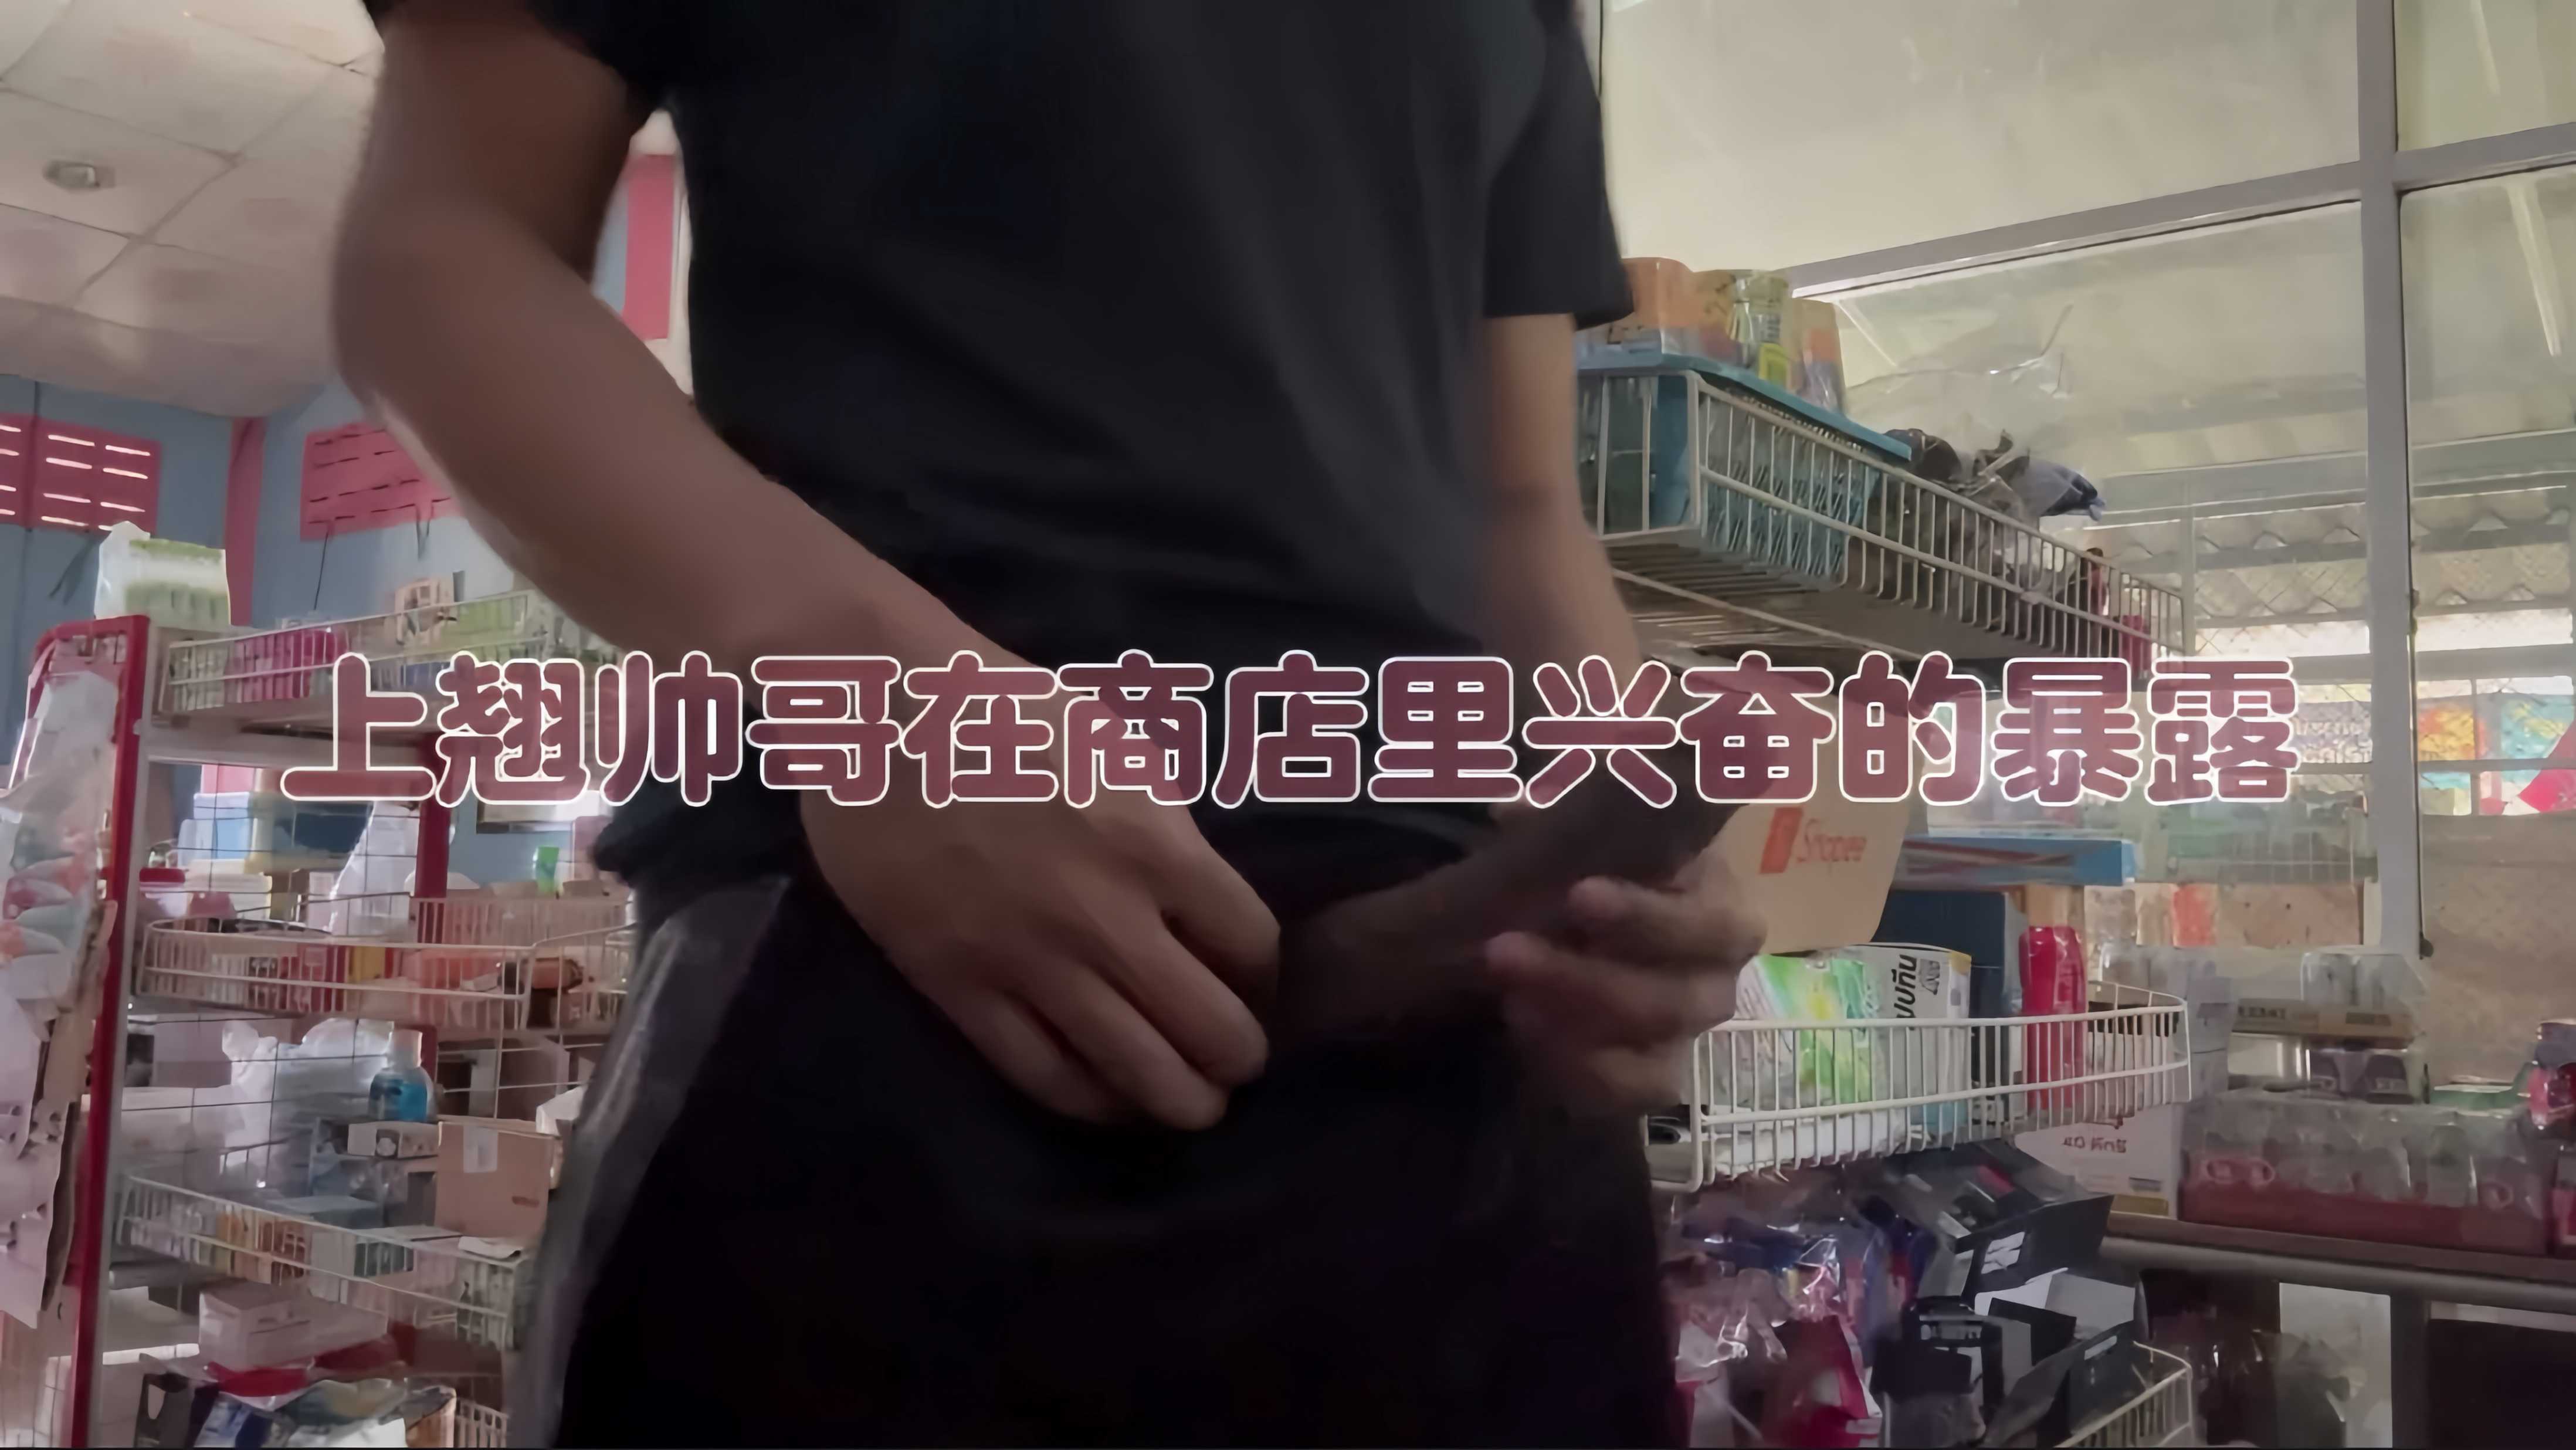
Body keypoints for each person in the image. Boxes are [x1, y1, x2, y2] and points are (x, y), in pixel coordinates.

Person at [337, 1, 1763, 1442]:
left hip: (1476, 1070)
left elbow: (1521, 499)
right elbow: (440, 248)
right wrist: (879, 688)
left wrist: (1620, 851)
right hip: (906, 1011)